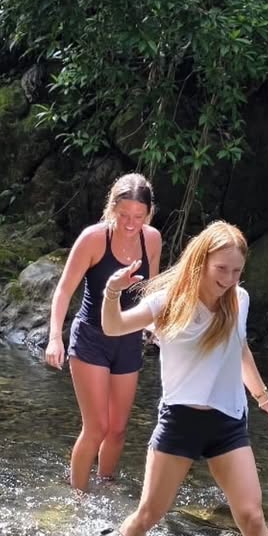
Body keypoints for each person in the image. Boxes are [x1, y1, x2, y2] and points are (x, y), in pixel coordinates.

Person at [99, 220, 268, 536]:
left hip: (228, 424)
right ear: (200, 261)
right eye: (222, 269)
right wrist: (112, 293)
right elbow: (113, 326)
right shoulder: (167, 302)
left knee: (251, 515)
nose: (229, 279)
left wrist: (265, 400)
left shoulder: (240, 301)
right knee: (149, 515)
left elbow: (240, 350)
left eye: (236, 271)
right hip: (180, 422)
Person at [45, 173, 163, 492]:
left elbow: (150, 292)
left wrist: (156, 327)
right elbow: (63, 291)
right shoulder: (94, 239)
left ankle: (105, 487)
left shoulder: (151, 239)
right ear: (112, 208)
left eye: (138, 217)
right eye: (124, 215)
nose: (130, 223)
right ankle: (79, 498)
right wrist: (56, 336)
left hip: (128, 341)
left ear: (148, 214)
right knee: (96, 428)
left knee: (118, 430)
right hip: (91, 340)